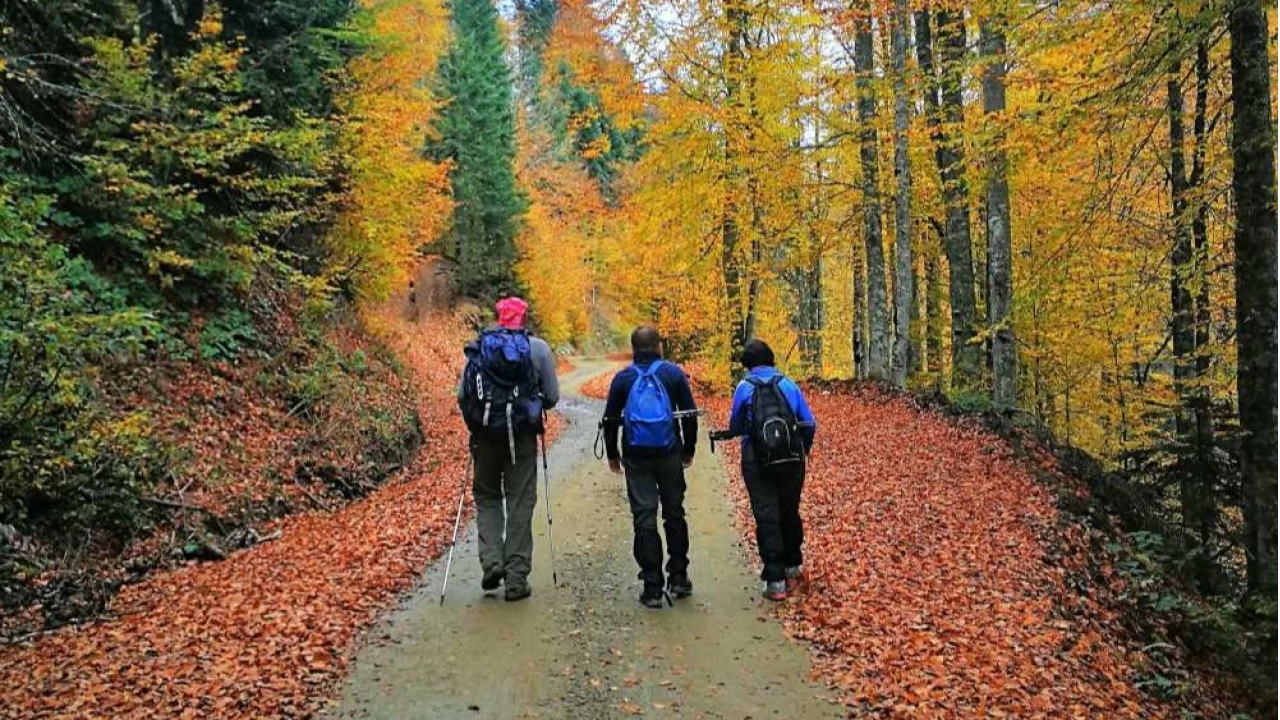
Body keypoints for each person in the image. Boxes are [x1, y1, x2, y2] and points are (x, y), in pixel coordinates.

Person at [457, 296, 560, 601]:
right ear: (523, 318)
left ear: (499, 318)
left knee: (487, 497)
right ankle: (516, 579)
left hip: (485, 436)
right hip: (522, 438)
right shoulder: (538, 349)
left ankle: (491, 562)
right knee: (519, 501)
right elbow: (552, 397)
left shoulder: (479, 348)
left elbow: (464, 396)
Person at [602, 326, 699, 608]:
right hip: (669, 453)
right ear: (659, 346)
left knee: (644, 517)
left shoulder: (623, 379)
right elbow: (690, 414)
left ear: (634, 348)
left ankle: (652, 587)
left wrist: (612, 454)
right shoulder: (672, 374)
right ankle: (679, 577)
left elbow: (610, 419)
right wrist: (688, 449)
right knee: (674, 513)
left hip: (636, 455)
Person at [724, 339, 816, 601]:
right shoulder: (788, 384)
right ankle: (793, 566)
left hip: (756, 459)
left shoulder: (744, 387)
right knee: (789, 509)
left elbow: (736, 425)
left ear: (747, 365)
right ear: (772, 358)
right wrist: (804, 447)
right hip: (791, 457)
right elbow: (809, 422)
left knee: (766, 514)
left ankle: (775, 581)